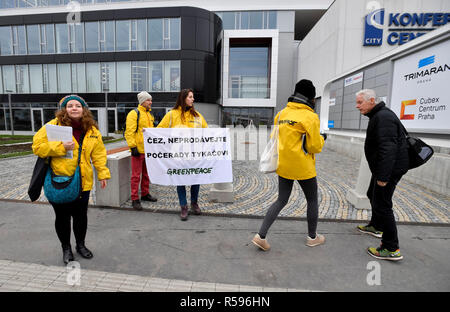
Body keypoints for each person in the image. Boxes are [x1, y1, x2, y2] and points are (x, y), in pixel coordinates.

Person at [32, 95, 111, 265]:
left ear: (84, 109)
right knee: (62, 217)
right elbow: (37, 147)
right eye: (70, 106)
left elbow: (98, 154)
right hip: (60, 181)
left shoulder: (92, 130)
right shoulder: (52, 126)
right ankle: (66, 248)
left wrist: (103, 173)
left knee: (81, 216)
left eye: (78, 105)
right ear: (64, 109)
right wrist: (61, 147)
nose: (74, 108)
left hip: (83, 181)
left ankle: (80, 245)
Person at [252, 79, 326, 251]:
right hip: (303, 167)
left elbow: (274, 139)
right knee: (312, 199)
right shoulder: (311, 117)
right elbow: (314, 146)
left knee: (281, 200)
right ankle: (312, 237)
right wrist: (322, 138)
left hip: (284, 165)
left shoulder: (282, 114)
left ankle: (260, 236)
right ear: (311, 98)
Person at [355, 89, 408, 261]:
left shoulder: (383, 117)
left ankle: (391, 248)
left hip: (389, 170)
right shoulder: (379, 115)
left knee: (383, 205)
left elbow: (388, 148)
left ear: (371, 100)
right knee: (372, 194)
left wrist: (383, 177)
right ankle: (376, 226)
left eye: (360, 102)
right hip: (383, 168)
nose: (357, 106)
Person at [157, 88, 208, 221]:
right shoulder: (172, 115)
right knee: (180, 181)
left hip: (195, 155)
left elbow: (206, 132)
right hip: (178, 155)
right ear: (183, 98)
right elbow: (159, 131)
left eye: (193, 97)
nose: (193, 99)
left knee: (195, 180)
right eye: (190, 97)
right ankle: (183, 206)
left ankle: (194, 203)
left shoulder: (197, 115)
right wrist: (147, 132)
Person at [125, 91, 158, 211]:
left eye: (151, 100)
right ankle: (135, 199)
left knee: (146, 174)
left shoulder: (149, 114)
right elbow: (129, 132)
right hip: (138, 151)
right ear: (142, 101)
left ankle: (145, 194)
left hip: (148, 150)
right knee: (135, 176)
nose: (151, 102)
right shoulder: (134, 114)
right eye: (148, 100)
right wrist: (133, 147)